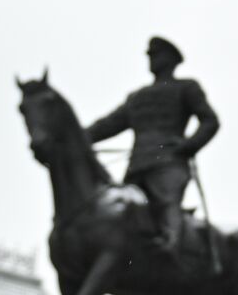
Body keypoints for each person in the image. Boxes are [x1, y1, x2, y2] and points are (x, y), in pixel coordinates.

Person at [86, 36, 219, 252]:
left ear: (171, 59)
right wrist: (75, 137)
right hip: (137, 168)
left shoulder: (186, 87)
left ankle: (173, 254)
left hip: (169, 164)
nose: (151, 59)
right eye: (150, 55)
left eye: (156, 55)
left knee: (168, 208)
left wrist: (188, 146)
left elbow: (210, 121)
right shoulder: (138, 97)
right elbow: (107, 125)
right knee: (121, 215)